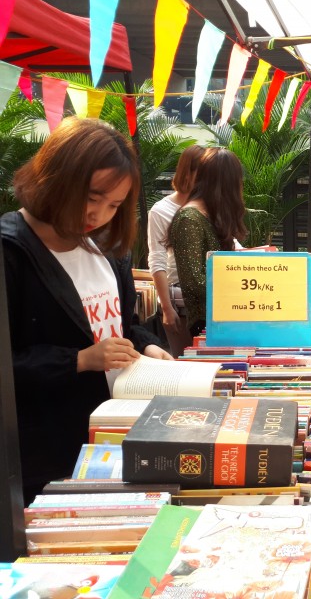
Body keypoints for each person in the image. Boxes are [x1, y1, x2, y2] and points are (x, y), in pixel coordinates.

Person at [0, 117, 172, 502]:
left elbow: (120, 324)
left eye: (114, 204)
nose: (99, 215)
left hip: (116, 434)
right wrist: (77, 360)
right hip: (47, 453)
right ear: (56, 176)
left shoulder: (106, 247)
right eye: (92, 197)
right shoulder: (12, 252)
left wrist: (146, 345)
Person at [170, 148, 248, 337]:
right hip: (208, 321)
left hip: (225, 315)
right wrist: (242, 293)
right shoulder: (189, 218)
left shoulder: (211, 213)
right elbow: (194, 281)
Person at [148, 144, 206, 357]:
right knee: (184, 362)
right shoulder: (161, 211)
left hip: (209, 296)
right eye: (203, 173)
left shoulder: (209, 205)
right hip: (178, 299)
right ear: (188, 172)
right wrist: (166, 308)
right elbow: (157, 259)